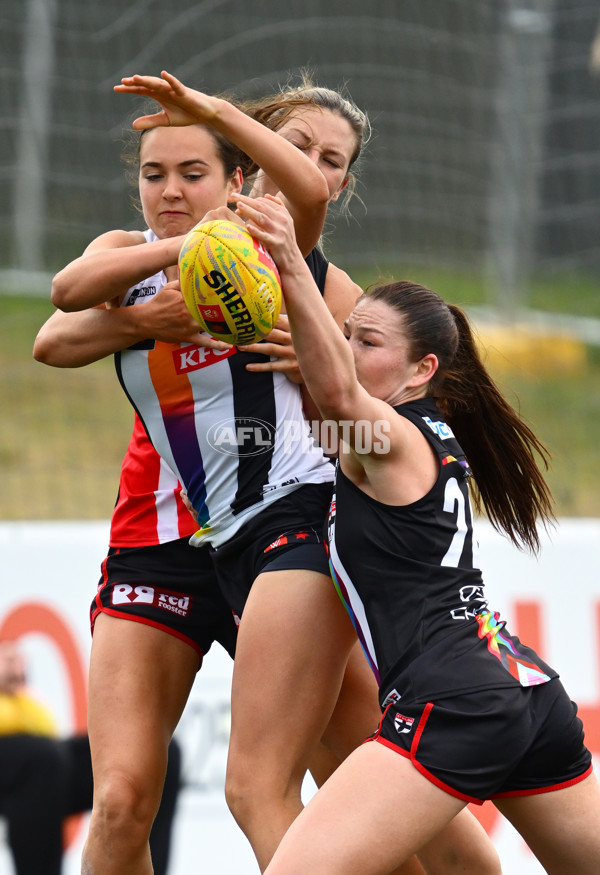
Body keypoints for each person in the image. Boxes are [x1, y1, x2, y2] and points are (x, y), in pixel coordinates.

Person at [40, 71, 500, 875]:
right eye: (299, 147)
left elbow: (387, 404)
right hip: (171, 537)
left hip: (289, 528)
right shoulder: (135, 257)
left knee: (340, 778)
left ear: (238, 173)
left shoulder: (296, 259)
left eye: (332, 160)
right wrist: (145, 318)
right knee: (120, 798)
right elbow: (55, 329)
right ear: (258, 149)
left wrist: (334, 368)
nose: (314, 169)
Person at [230, 191, 600, 875]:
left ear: (421, 371)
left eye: (366, 342)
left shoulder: (386, 434)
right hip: (518, 688)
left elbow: (337, 399)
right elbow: (327, 403)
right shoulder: (395, 436)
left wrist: (287, 257)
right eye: (345, 335)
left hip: (453, 698)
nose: (345, 351)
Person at [0, 638, 181, 875]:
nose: (15, 662)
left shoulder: (25, 704)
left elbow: (41, 727)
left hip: (40, 764)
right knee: (42, 760)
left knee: (152, 752)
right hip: (32, 764)